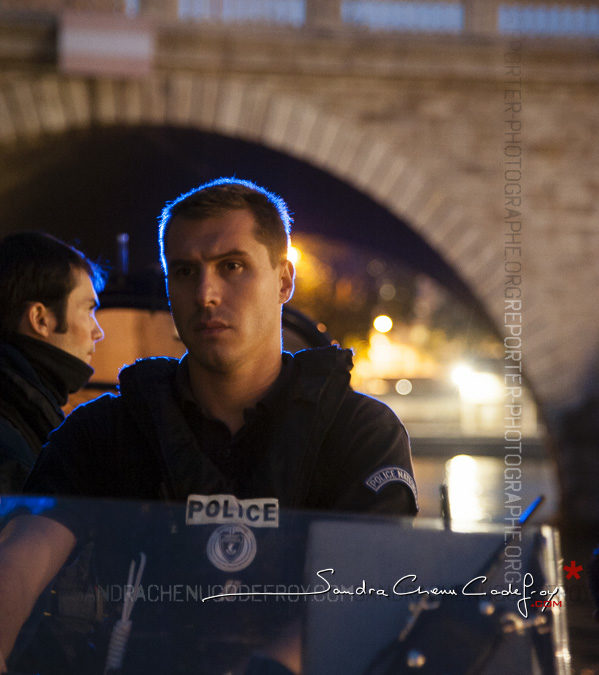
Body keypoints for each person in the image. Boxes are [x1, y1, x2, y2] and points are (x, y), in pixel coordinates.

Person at [0, 179, 417, 672]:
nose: (206, 294)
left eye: (232, 266)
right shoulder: (106, 429)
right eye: (184, 271)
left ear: (283, 280)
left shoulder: (361, 432)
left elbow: (371, 586)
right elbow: (24, 553)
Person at [0, 232, 105, 493]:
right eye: (88, 309)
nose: (98, 331)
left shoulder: (25, 405)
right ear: (40, 319)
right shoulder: (12, 431)